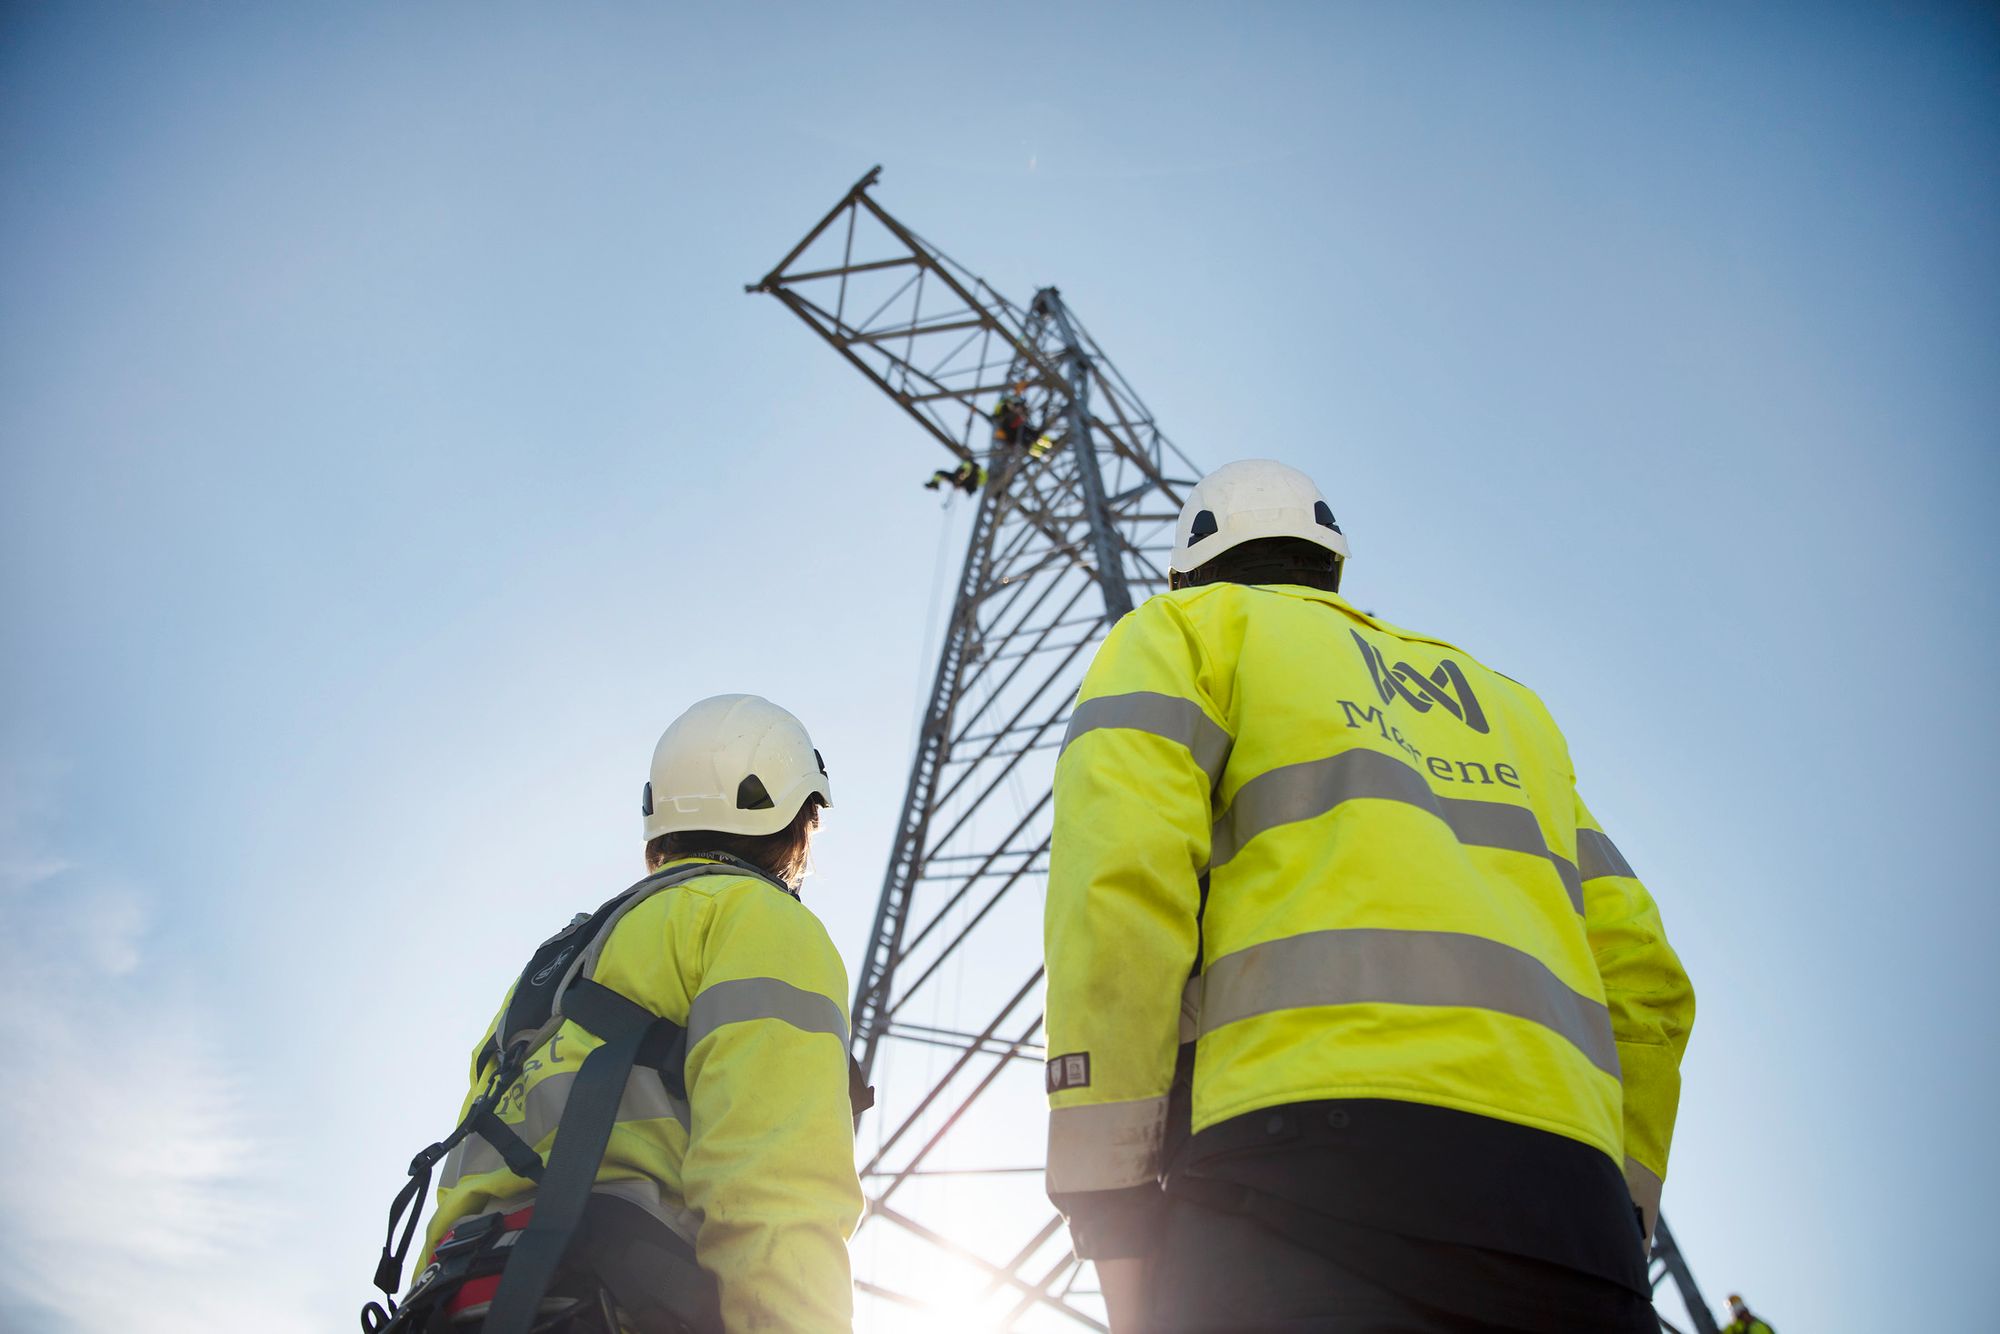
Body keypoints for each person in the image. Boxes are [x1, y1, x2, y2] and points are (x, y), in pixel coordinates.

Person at [1043, 460, 1695, 1333]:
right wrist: (1620, 1214)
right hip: (1572, 1226)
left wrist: (1112, 1208)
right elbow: (1649, 984)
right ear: (1331, 563)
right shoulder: (1508, 707)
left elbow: (1119, 888)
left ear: (1191, 566)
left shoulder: (1186, 631)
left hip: (1296, 1182)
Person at [375, 695, 864, 1333]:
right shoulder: (758, 920)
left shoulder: (560, 962)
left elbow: (461, 1190)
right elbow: (776, 1196)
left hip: (450, 1305)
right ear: (797, 819)